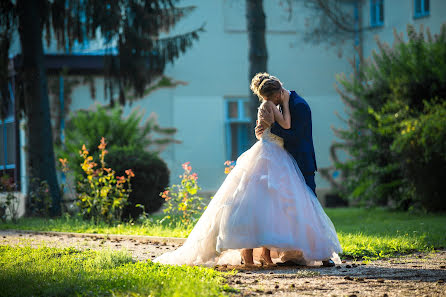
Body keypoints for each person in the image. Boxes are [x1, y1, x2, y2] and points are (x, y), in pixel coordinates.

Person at [153, 73, 342, 267]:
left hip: (299, 160)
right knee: (277, 204)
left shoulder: (298, 105)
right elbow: (279, 127)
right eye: (269, 98)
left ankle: (317, 253)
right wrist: (272, 122)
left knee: (305, 206)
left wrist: (269, 127)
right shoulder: (273, 104)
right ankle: (292, 254)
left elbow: (293, 134)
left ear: (279, 91)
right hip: (279, 156)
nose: (270, 100)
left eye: (274, 97)